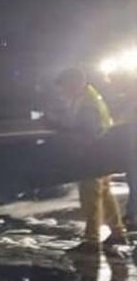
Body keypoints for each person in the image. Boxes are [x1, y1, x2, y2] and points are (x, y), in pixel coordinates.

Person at [51, 68, 127, 251]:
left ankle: (91, 240)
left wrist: (55, 125)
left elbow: (85, 131)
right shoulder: (89, 97)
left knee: (90, 197)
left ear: (74, 83)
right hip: (104, 154)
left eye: (64, 88)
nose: (62, 92)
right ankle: (118, 233)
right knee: (105, 195)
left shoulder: (87, 103)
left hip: (94, 156)